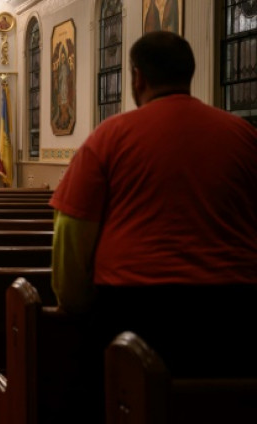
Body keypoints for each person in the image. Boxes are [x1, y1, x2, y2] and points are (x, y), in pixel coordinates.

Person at [50, 31, 257, 380]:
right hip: (235, 308)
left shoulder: (110, 135)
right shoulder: (243, 134)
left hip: (135, 309)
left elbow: (72, 227)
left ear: (137, 77)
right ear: (188, 73)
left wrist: (75, 304)